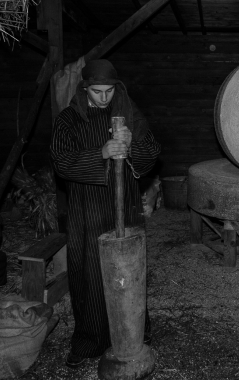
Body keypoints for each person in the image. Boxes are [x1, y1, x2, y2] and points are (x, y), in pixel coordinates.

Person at [50, 59, 161, 368]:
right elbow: (61, 161)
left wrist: (131, 146)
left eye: (109, 91)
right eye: (96, 91)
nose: (103, 98)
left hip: (124, 206)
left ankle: (135, 333)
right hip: (88, 206)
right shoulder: (69, 119)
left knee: (129, 269)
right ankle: (90, 340)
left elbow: (151, 152)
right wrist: (100, 153)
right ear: (85, 88)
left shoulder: (127, 112)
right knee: (90, 270)